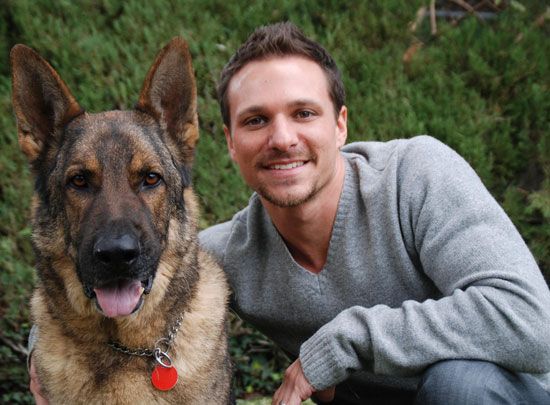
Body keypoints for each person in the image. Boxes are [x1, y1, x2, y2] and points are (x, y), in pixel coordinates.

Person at [30, 22, 550, 405]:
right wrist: (41, 350)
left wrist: (345, 341)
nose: (282, 139)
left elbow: (532, 321)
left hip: (500, 394)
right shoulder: (223, 255)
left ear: (341, 125)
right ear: (229, 143)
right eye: (256, 120)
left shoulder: (418, 175)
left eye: (304, 113)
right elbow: (103, 269)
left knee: (458, 386)